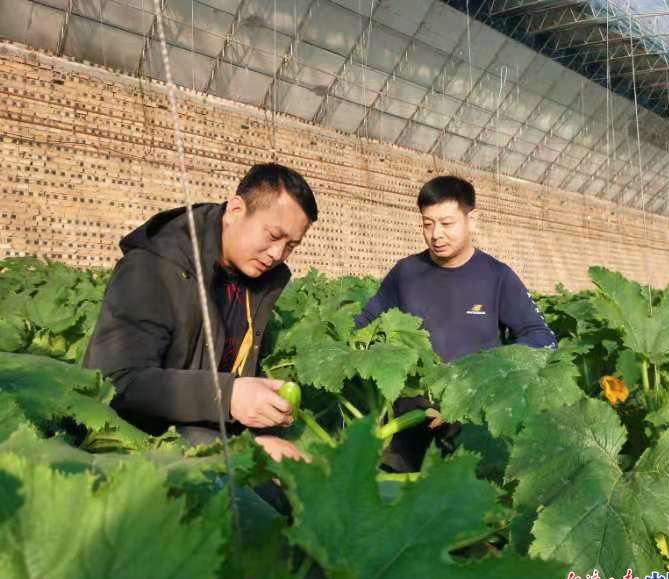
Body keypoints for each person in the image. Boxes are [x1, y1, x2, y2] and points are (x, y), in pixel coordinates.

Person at [84, 163, 317, 464]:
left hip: (209, 431)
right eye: (273, 235)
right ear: (235, 211)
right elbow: (116, 382)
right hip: (138, 440)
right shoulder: (152, 269)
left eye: (291, 246)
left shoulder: (256, 281)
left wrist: (260, 410)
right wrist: (228, 396)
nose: (277, 254)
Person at [355, 175, 557, 472]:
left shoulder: (497, 276)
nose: (436, 234)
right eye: (427, 223)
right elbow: (365, 324)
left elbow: (541, 336)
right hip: (410, 418)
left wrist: (483, 378)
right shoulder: (406, 273)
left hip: (474, 414)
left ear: (471, 220)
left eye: (447, 223)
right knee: (393, 497)